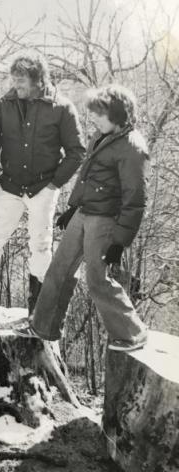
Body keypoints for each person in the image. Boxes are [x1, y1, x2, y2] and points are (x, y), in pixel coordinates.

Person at [0, 55, 85, 326]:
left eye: (21, 80)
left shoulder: (61, 108)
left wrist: (56, 183)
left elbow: (77, 151)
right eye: (14, 79)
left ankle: (37, 312)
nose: (16, 85)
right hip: (10, 186)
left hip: (44, 186)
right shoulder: (6, 104)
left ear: (38, 80)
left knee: (41, 246)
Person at [30, 84, 149, 352]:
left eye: (99, 113)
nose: (92, 117)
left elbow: (135, 201)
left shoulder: (133, 148)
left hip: (105, 221)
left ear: (117, 113)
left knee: (97, 280)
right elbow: (86, 176)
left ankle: (132, 333)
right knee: (59, 269)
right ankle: (43, 326)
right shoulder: (100, 137)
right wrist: (73, 207)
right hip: (84, 213)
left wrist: (119, 241)